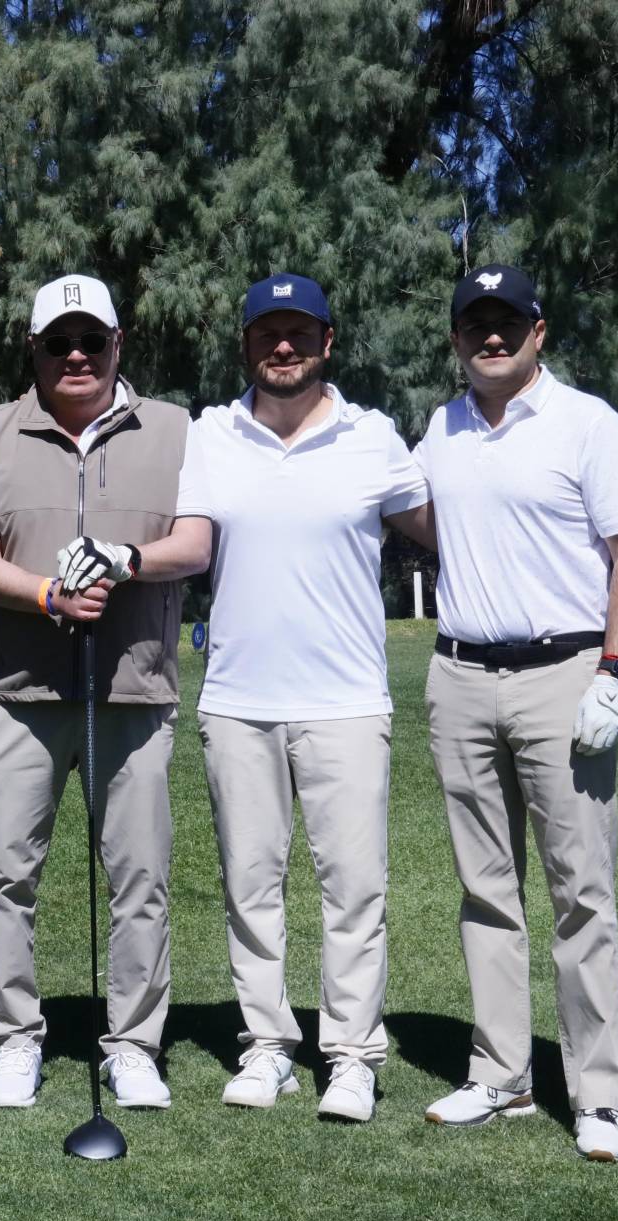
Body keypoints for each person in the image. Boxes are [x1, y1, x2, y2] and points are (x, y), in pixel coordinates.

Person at [414, 264, 618, 1163]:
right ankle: (501, 1073)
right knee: (485, 889)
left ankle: (597, 1095)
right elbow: (407, 514)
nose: (492, 336)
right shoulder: (437, 429)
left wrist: (615, 670)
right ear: (456, 338)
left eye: (507, 321)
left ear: (538, 330)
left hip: (565, 673)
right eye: (475, 323)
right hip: (461, 677)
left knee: (581, 892)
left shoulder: (588, 422)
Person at [178, 274, 435, 1120]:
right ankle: (266, 1045)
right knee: (250, 884)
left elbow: (447, 529)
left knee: (353, 888)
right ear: (246, 345)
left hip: (347, 700)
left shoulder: (373, 438)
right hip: (239, 699)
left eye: (298, 333)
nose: (281, 347)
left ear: (329, 341)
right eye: (266, 334)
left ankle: (353, 1053)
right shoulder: (210, 435)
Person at [0, 274, 211, 1111]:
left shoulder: (175, 428)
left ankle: (133, 1044)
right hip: (20, 694)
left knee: (141, 880)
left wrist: (127, 559)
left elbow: (196, 542)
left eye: (90, 341)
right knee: (4, 877)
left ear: (116, 344)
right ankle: (13, 1040)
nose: (75, 355)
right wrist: (47, 596)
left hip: (133, 692)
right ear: (31, 349)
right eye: (58, 342)